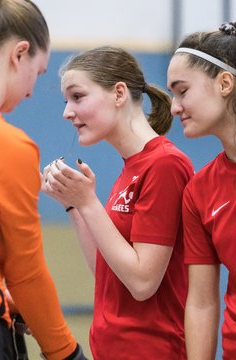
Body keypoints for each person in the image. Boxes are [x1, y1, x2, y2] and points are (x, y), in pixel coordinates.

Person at [42, 45, 194, 360]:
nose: (67, 112)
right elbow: (107, 272)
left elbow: (142, 282)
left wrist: (88, 204)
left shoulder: (165, 164)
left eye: (78, 97)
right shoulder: (132, 167)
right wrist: (74, 205)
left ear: (119, 93)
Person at [0, 1, 87, 359]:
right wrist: (65, 351)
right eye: (38, 71)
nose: (32, 90)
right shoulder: (10, 147)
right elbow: (26, 272)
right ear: (19, 54)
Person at [167, 21, 236, 360]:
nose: (174, 106)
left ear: (225, 83)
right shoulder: (200, 191)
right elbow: (202, 302)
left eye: (182, 90)